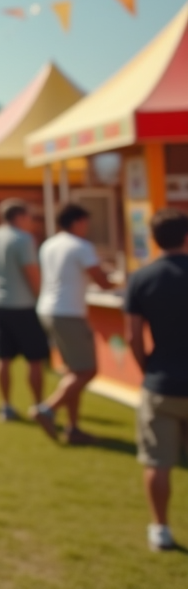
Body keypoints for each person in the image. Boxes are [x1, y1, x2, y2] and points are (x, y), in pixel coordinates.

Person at [125, 209, 188, 552]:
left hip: (160, 381)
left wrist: (146, 366)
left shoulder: (141, 278)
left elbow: (133, 335)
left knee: (158, 461)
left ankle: (160, 528)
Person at [30, 204, 114, 443]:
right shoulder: (81, 246)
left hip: (49, 309)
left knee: (74, 371)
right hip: (68, 312)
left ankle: (73, 427)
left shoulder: (50, 244)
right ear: (77, 222)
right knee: (87, 370)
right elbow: (102, 282)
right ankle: (47, 409)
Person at [0, 198, 49, 423]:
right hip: (23, 304)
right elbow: (31, 272)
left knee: (3, 357)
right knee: (35, 358)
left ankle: (5, 405)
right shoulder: (23, 239)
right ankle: (39, 405)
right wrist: (42, 297)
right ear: (19, 216)